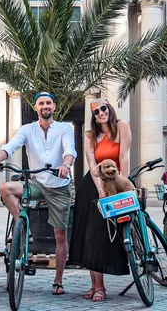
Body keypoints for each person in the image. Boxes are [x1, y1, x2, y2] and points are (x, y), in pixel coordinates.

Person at [0, 92, 76, 296]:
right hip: (36, 183)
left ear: (54, 107)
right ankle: (22, 226)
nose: (45, 106)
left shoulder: (64, 128)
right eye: (41, 103)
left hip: (59, 186)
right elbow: (10, 147)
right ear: (36, 107)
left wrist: (66, 165)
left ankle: (58, 281)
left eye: (49, 103)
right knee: (5, 188)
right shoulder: (27, 129)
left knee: (60, 235)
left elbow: (69, 150)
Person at [69, 97, 131, 303]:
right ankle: (97, 286)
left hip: (115, 181)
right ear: (93, 116)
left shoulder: (122, 126)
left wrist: (125, 186)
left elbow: (123, 157)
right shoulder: (90, 135)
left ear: (109, 109)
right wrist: (100, 190)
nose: (100, 113)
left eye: (103, 108)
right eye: (96, 112)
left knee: (109, 234)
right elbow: (91, 162)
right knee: (91, 234)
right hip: (93, 186)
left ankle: (101, 284)